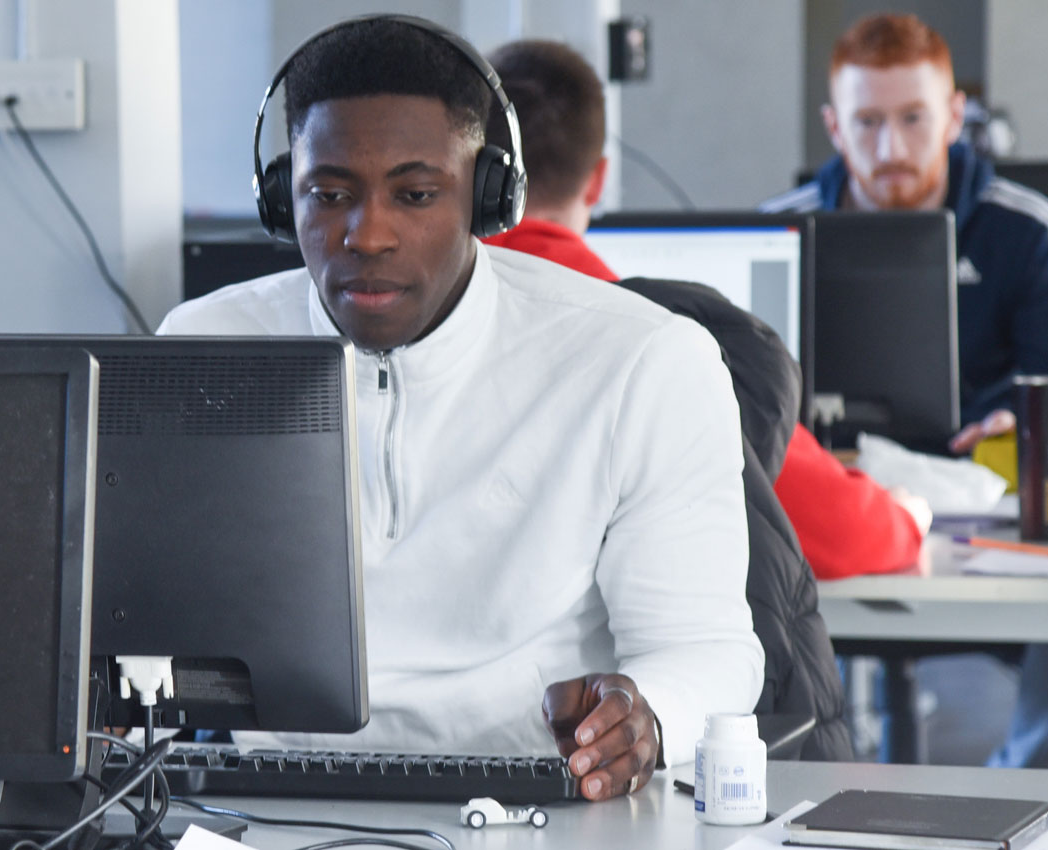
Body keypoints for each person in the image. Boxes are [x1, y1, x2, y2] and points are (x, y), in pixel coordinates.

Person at [159, 16, 762, 800]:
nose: (366, 234)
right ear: (283, 198)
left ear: (486, 195)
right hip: (269, 800)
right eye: (329, 193)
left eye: (414, 194)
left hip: (545, 801)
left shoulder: (640, 362)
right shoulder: (204, 350)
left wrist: (648, 716)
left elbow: (710, 653)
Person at [761, 13, 1048, 769]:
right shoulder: (778, 234)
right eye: (867, 122)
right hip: (837, 517)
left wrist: (1024, 421)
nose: (891, 148)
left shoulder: (1027, 229)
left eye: (912, 119)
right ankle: (816, 803)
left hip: (988, 517)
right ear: (834, 126)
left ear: (956, 116)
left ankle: (1022, 788)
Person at [482, 38, 929, 583]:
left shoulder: (410, 312)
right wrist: (905, 517)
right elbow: (842, 534)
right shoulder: (641, 335)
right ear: (598, 180)